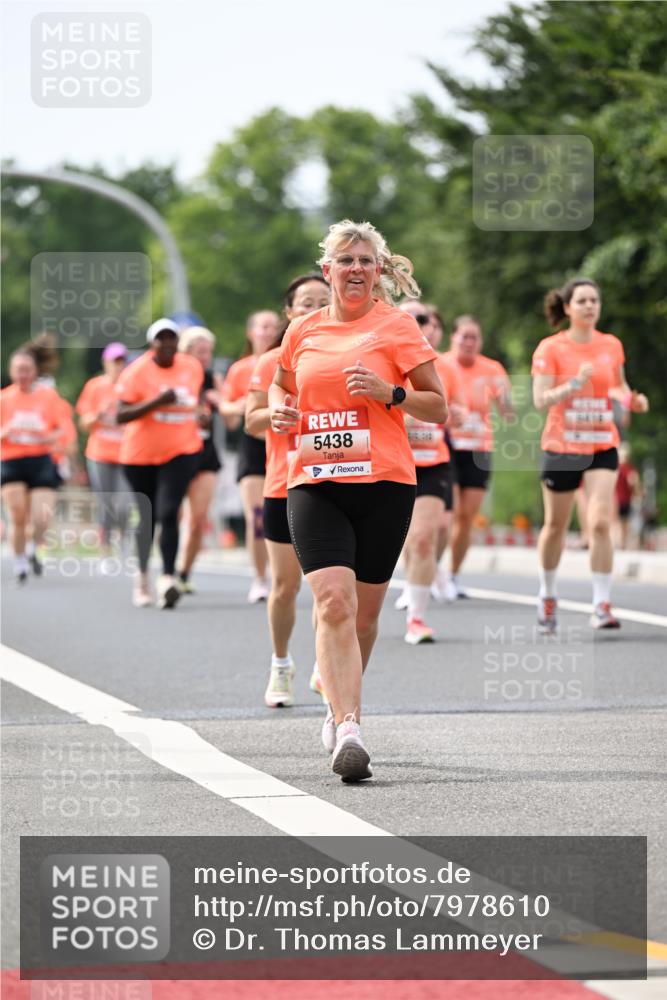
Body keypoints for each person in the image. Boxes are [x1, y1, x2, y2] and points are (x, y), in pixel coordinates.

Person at [269, 219, 446, 781]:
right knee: (334, 604)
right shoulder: (303, 330)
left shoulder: (396, 327)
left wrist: (390, 393)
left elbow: (438, 406)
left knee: (364, 618)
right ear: (328, 270)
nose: (356, 269)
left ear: (378, 272)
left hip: (385, 483)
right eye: (345, 260)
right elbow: (281, 383)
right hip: (315, 482)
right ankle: (350, 727)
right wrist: (279, 408)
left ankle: (334, 700)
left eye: (366, 260)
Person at [532, 278, 649, 631]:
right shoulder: (551, 348)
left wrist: (632, 400)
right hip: (562, 446)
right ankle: (548, 595)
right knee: (555, 526)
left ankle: (601, 604)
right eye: (582, 300)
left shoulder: (611, 345)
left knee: (600, 522)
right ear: (567, 308)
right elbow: (539, 400)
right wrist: (572, 385)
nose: (589, 306)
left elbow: (619, 385)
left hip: (601, 443)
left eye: (594, 300)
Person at [246, 275, 331, 706]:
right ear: (289, 312)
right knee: (285, 585)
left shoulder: (347, 352)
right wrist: (276, 414)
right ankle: (281, 663)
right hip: (284, 482)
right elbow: (250, 420)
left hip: (332, 480)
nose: (314, 309)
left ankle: (323, 664)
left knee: (327, 585)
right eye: (305, 303)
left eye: (323, 301)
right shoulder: (272, 361)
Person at [116, 319, 203, 609]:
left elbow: (194, 400)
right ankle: (141, 578)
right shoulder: (136, 371)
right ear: (151, 343)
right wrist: (157, 401)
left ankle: (167, 577)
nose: (167, 344)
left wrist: (201, 412)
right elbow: (121, 414)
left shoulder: (191, 367)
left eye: (171, 339)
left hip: (181, 450)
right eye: (160, 339)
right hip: (139, 455)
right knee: (147, 515)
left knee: (169, 511)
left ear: (178, 342)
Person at [394, 300, 465, 643]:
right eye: (408, 317)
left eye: (422, 318)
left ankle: (417, 618)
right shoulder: (378, 358)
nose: (417, 323)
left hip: (432, 462)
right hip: (388, 461)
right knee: (397, 540)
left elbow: (450, 408)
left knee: (424, 536)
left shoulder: (442, 366)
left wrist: (458, 415)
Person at [440, 316, 513, 597]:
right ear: (453, 338)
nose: (469, 343)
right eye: (464, 337)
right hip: (446, 447)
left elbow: (508, 414)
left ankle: (453, 575)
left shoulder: (492, 368)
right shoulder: (441, 364)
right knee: (450, 513)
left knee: (466, 518)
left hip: (479, 449)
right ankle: (432, 572)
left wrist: (505, 398)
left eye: (474, 338)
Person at [220, 310, 280, 604]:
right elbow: (227, 412)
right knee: (257, 516)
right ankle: (259, 578)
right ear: (251, 333)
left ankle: (285, 573)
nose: (268, 332)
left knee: (285, 515)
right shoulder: (241, 369)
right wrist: (242, 406)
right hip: (253, 447)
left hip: (283, 444)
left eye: (273, 327)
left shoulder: (287, 358)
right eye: (262, 327)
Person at [1, 350, 69, 584]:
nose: (23, 375)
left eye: (27, 370)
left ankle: (33, 546)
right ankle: (20, 562)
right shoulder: (4, 399)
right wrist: (6, 432)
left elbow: (62, 429)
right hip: (11, 460)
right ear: (11, 372)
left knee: (41, 517)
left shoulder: (48, 398)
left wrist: (49, 436)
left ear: (35, 372)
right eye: (19, 370)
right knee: (17, 514)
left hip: (41, 460)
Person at [75, 342, 131, 571]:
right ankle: (105, 549)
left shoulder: (132, 386)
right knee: (106, 503)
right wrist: (100, 413)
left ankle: (124, 543)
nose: (119, 366)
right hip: (100, 454)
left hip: (127, 454)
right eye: (114, 361)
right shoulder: (95, 386)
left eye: (122, 361)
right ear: (105, 363)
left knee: (126, 504)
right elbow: (83, 423)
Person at [175, 326, 223, 593]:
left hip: (204, 453)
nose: (205, 356)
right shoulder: (175, 378)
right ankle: (168, 568)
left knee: (197, 519)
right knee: (172, 514)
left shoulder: (211, 380)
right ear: (186, 351)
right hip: (175, 452)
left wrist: (223, 402)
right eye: (200, 351)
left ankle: (183, 572)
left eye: (209, 352)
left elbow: (229, 418)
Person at [614, 443, 641, 550]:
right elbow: (633, 481)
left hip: (617, 499)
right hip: (624, 500)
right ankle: (622, 543)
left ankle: (619, 543)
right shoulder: (629, 468)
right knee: (624, 522)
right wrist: (637, 493)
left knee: (618, 522)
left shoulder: (616, 467)